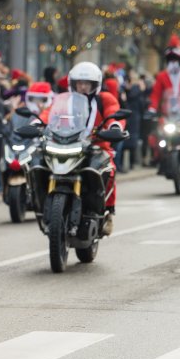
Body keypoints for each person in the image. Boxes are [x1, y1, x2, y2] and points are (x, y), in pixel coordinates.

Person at [44, 62, 124, 233]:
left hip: (96, 145)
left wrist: (115, 126)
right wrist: (37, 123)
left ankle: (108, 211)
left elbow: (113, 112)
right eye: (79, 83)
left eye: (88, 83)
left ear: (96, 85)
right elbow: (49, 112)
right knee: (40, 160)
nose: (83, 87)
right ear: (72, 84)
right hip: (66, 143)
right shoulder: (65, 100)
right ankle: (39, 203)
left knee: (109, 168)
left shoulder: (104, 98)